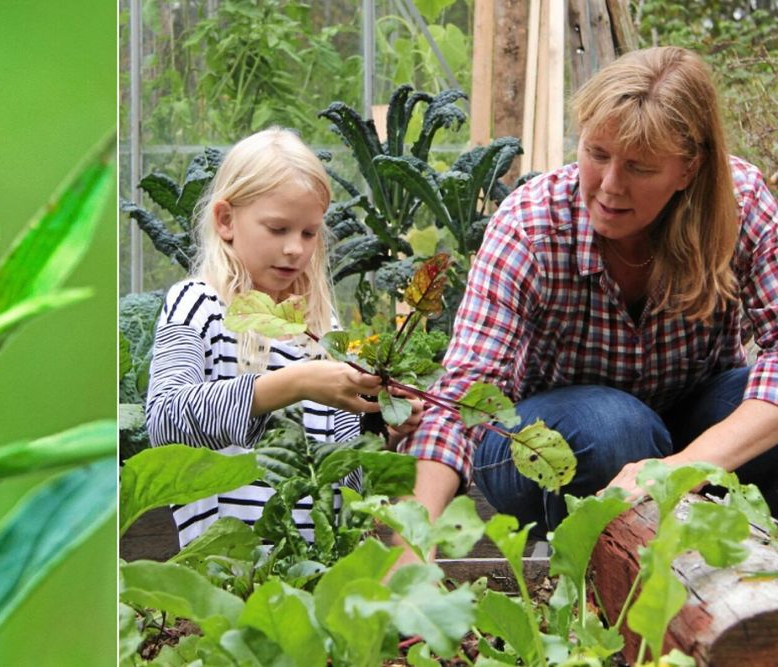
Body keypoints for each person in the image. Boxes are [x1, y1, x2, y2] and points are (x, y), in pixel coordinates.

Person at [400, 46, 778, 542]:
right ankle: (593, 570)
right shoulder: (532, 227)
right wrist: (413, 541)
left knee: (752, 413)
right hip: (545, 439)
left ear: (688, 170)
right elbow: (466, 396)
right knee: (613, 428)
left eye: (641, 168)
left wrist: (682, 467)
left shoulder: (738, 202)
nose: (610, 186)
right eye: (597, 155)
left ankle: (748, 582)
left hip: (689, 428)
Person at [145, 127, 423, 547]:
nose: (296, 248)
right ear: (225, 220)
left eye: (309, 233)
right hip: (228, 576)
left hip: (315, 578)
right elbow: (165, 421)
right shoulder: (197, 304)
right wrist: (295, 384)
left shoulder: (323, 332)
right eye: (278, 229)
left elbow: (345, 478)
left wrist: (385, 430)